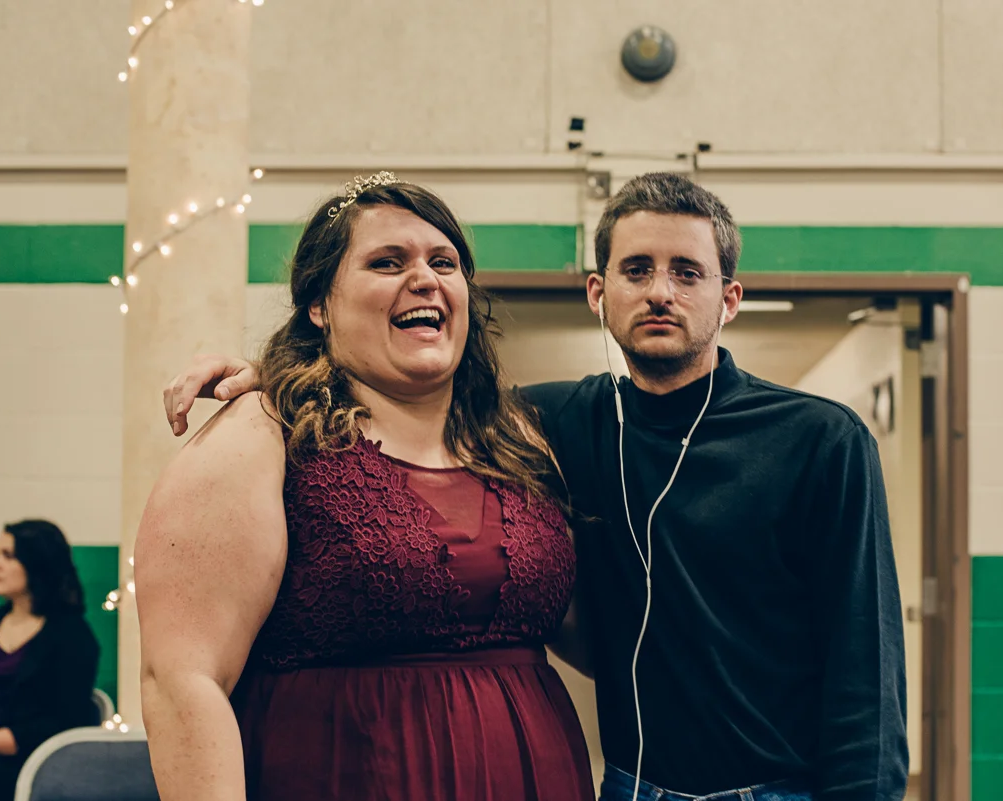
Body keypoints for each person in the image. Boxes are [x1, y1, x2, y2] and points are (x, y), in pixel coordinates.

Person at [162, 172, 909, 801]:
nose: (661, 293)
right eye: (637, 269)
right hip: (630, 785)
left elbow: (864, 674)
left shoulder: (818, 438)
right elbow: (394, 386)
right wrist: (280, 375)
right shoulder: (547, 422)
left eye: (688, 272)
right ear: (597, 291)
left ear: (731, 297)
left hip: (778, 788)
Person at [136, 172, 593, 801]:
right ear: (320, 305)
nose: (425, 278)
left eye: (444, 261)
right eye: (387, 261)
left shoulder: (518, 438)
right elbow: (183, 680)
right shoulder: (263, 436)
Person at [0, 519, 100, 801]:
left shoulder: (72, 637)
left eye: (7, 556)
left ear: (37, 564)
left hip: (21, 765)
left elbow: (60, 725)